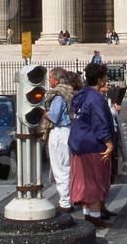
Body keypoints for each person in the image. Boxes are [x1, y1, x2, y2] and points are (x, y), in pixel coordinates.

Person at [69, 63, 116, 228]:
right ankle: (94, 217)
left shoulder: (81, 94)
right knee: (95, 180)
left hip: (78, 143)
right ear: (100, 80)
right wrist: (109, 143)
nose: (106, 79)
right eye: (105, 77)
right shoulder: (96, 98)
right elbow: (100, 122)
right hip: (93, 144)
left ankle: (87, 214)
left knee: (84, 180)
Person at [45, 67, 76, 213]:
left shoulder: (58, 95)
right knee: (68, 166)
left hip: (59, 132)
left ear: (56, 80)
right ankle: (70, 197)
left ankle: (65, 202)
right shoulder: (69, 92)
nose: (49, 80)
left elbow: (54, 117)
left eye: (50, 78)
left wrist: (43, 113)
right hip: (69, 131)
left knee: (60, 168)